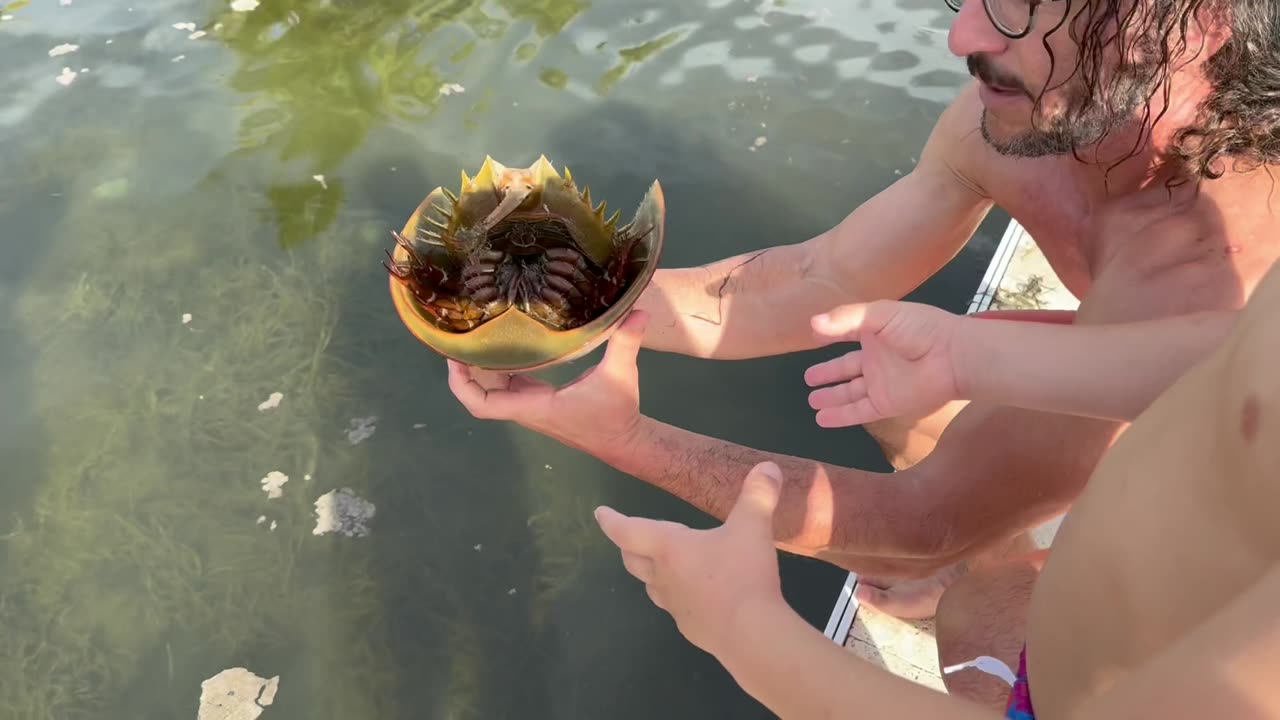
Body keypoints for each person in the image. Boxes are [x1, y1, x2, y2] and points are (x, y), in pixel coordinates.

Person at [447, 0, 1280, 620]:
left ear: (1200, 24)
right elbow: (819, 275)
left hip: (1236, 451)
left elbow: (928, 521)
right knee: (893, 378)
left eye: (1022, 13)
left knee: (983, 632)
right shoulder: (1036, 107)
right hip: (1141, 345)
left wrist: (621, 438)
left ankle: (998, 582)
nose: (964, 40)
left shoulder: (1213, 280)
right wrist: (568, 302)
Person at [590, 254, 1280, 718]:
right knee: (982, 601)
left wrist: (745, 629)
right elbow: (1242, 350)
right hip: (1085, 632)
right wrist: (965, 355)